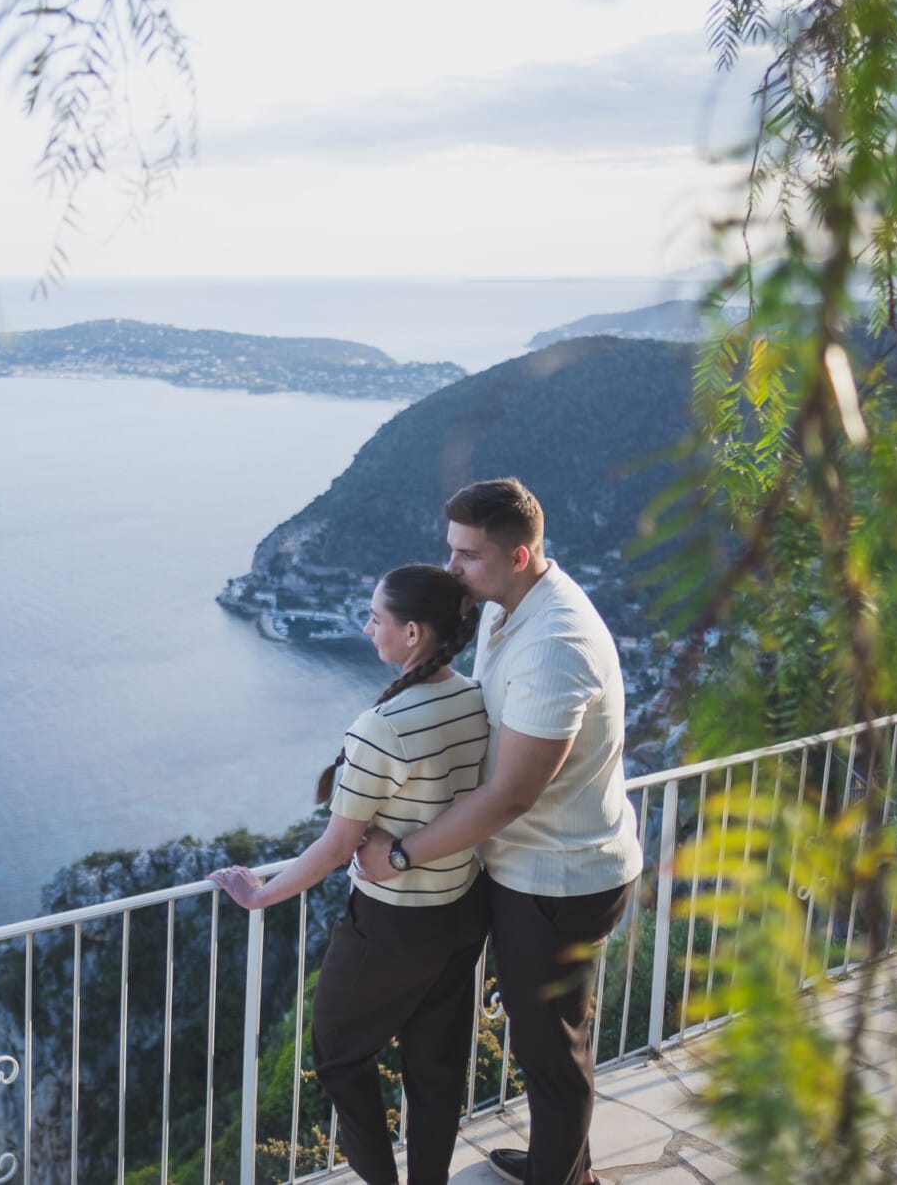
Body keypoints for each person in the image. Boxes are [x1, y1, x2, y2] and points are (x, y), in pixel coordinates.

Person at [357, 478, 643, 1185]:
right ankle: (559, 1162)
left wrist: (400, 852)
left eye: (468, 555)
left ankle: (564, 1180)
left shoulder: (554, 644)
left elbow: (512, 792)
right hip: (544, 869)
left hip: (559, 878)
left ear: (518, 557)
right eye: (450, 549)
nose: (451, 568)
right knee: (545, 1040)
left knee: (553, 1050)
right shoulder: (509, 605)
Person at [209, 564, 490, 1185]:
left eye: (376, 619)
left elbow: (338, 847)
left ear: (412, 633)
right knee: (435, 1068)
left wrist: (260, 894)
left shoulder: (382, 727)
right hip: (464, 909)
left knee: (337, 1055)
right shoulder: (475, 698)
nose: (367, 629)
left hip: (393, 925)